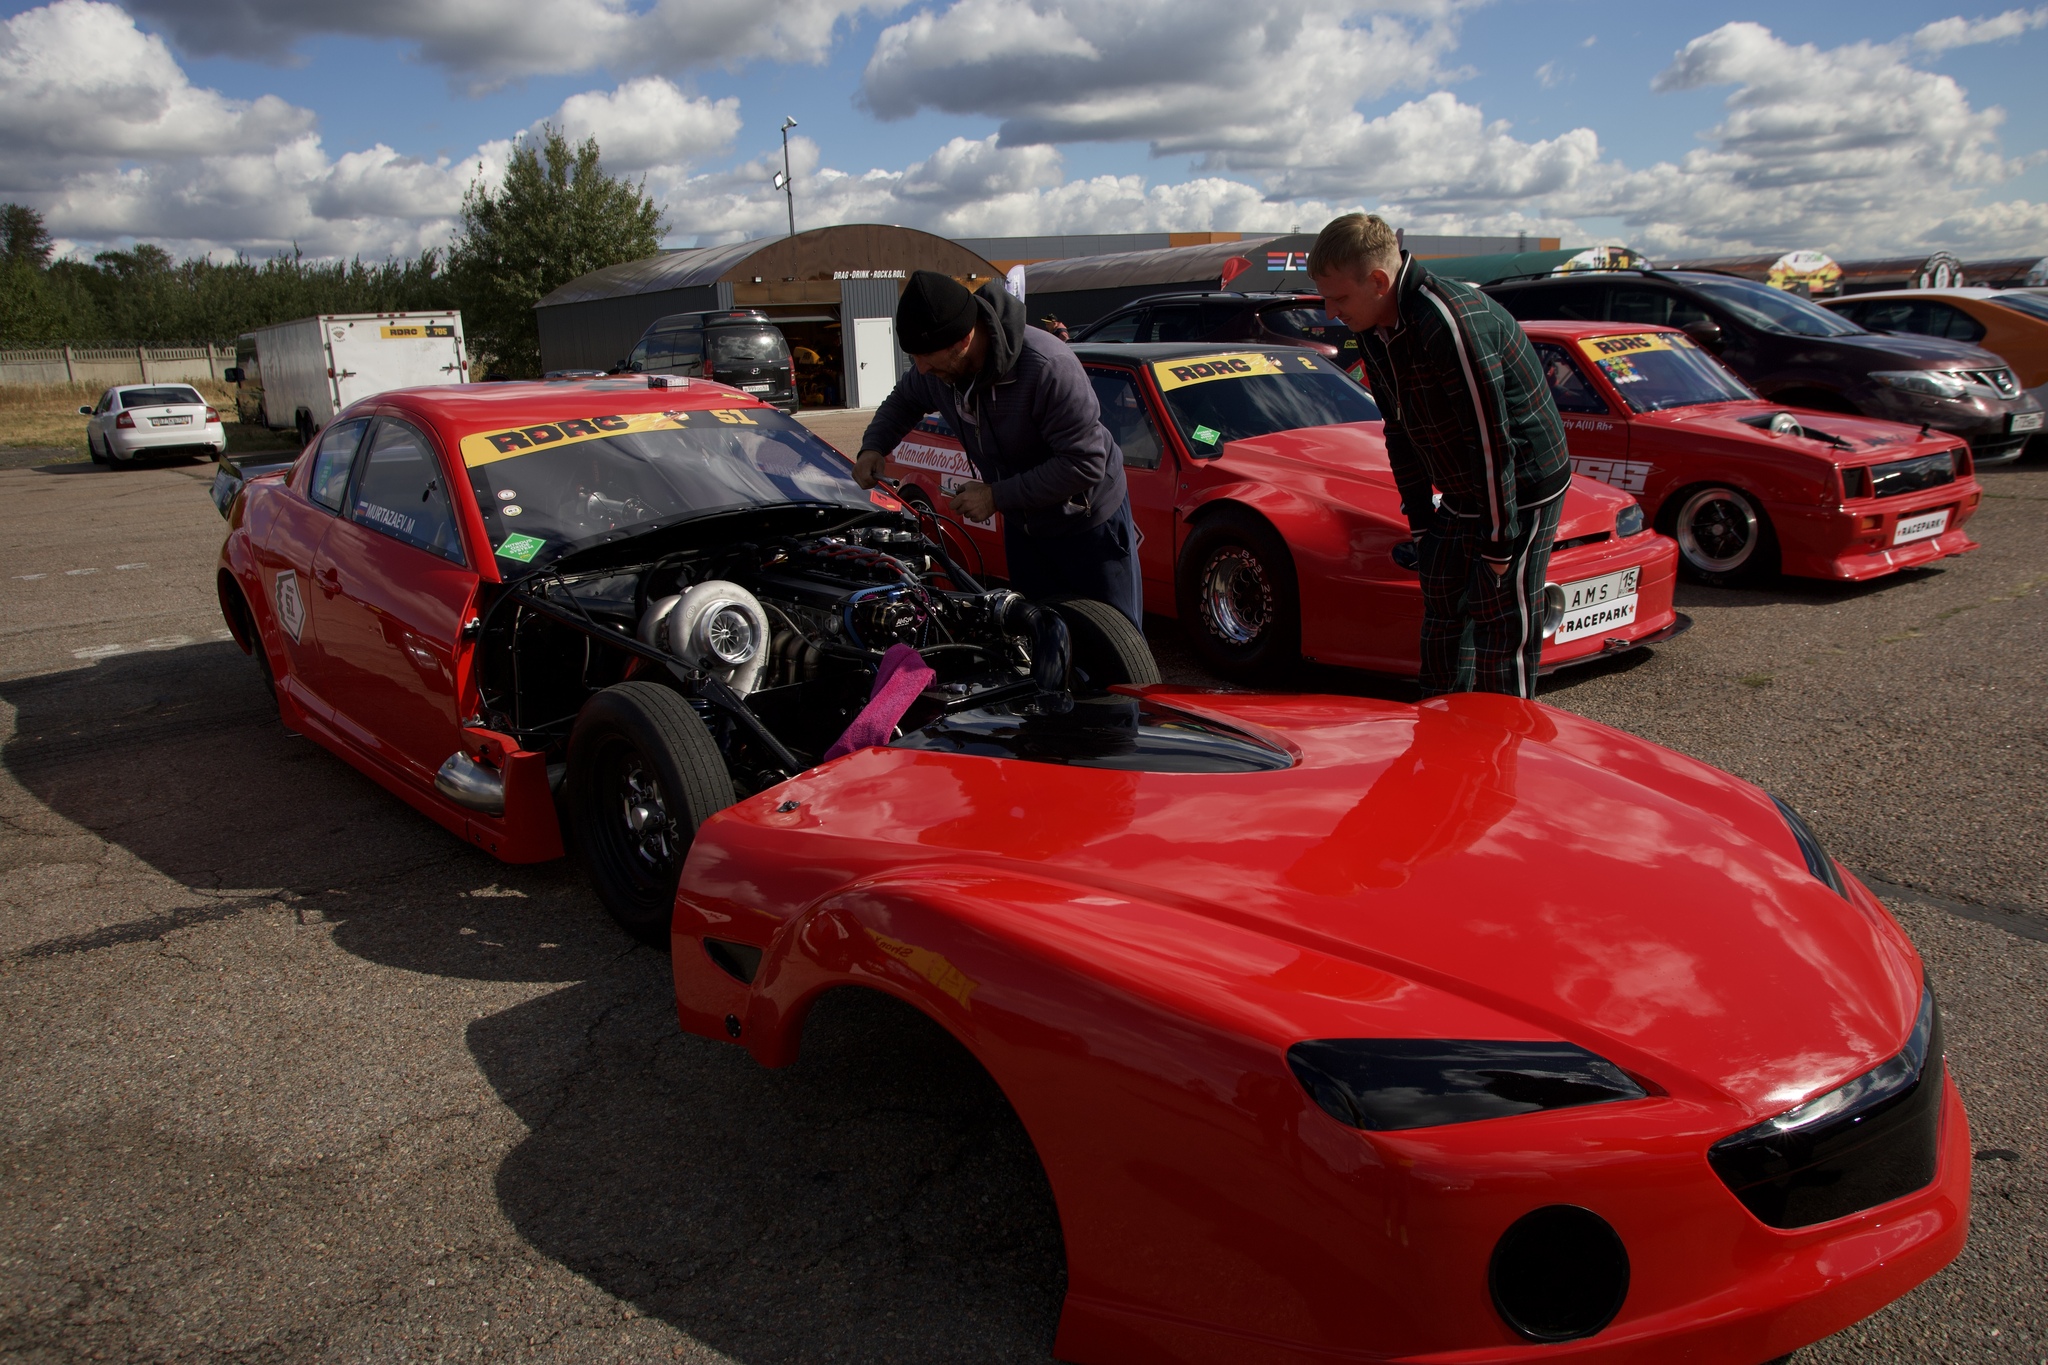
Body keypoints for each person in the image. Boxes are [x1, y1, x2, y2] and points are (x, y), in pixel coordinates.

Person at [1308, 213, 1570, 698]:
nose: (1329, 311)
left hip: (1522, 481)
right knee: (1443, 601)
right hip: (1461, 486)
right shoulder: (1372, 324)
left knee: (1501, 620)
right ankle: (1442, 730)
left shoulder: (1449, 324)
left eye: (1339, 297)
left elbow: (1492, 441)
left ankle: (1502, 752)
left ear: (1379, 281)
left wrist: (1498, 542)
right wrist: (1422, 520)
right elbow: (1399, 430)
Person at [851, 270, 1141, 627]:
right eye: (914, 358)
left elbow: (1083, 463)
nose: (921, 369)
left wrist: (995, 496)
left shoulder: (1047, 366)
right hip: (1025, 524)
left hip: (1087, 523)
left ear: (963, 339)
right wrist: (873, 446)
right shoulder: (938, 372)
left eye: (926, 356)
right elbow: (904, 400)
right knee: (1037, 637)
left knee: (1114, 649)